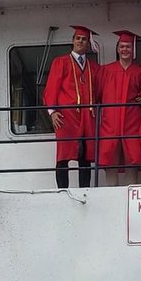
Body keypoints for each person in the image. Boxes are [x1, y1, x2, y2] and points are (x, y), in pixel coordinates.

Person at [44, 24, 102, 188]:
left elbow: (99, 91)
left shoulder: (93, 67)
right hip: (66, 116)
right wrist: (52, 112)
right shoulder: (61, 62)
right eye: (78, 38)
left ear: (87, 43)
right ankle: (62, 190)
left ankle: (85, 190)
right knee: (64, 154)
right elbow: (51, 88)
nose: (81, 41)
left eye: (84, 39)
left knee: (85, 154)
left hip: (87, 116)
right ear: (73, 40)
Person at [96, 31, 141, 185]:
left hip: (132, 121)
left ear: (133, 49)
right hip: (110, 121)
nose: (125, 49)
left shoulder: (140, 72)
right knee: (110, 156)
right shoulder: (105, 70)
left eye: (128, 46)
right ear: (117, 49)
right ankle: (112, 190)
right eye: (122, 46)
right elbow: (97, 94)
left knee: (133, 157)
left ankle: (131, 189)